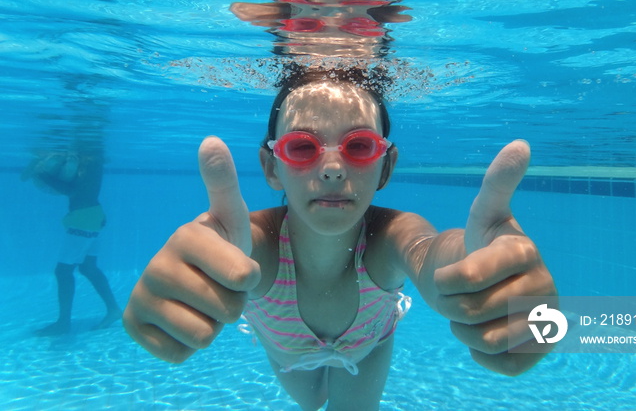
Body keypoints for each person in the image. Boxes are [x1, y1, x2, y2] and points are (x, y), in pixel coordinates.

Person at [123, 64, 557, 410]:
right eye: (302, 147)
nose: (331, 168)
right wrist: (201, 259)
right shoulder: (254, 245)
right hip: (286, 347)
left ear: (386, 166)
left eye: (359, 146)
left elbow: (429, 254)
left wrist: (477, 266)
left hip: (369, 344)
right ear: (272, 166)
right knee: (312, 401)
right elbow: (224, 251)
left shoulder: (392, 234)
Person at [23, 146, 122, 336]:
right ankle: (113, 310)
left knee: (63, 271)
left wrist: (42, 174)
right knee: (88, 268)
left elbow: (71, 189)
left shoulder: (88, 160)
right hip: (92, 215)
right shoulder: (92, 159)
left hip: (83, 219)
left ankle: (63, 323)